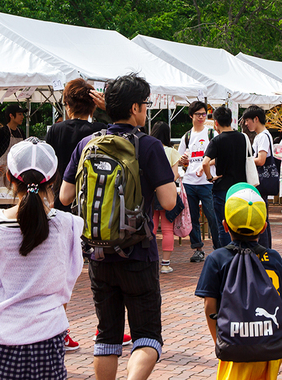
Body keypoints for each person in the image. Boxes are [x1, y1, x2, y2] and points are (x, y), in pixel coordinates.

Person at [59, 73, 176, 380]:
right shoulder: (148, 146)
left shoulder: (87, 143)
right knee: (147, 338)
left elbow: (65, 195)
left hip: (98, 256)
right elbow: (168, 201)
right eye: (146, 104)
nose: (146, 110)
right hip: (138, 253)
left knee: (107, 337)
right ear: (136, 108)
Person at [0, 138, 84, 380]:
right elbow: (68, 280)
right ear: (54, 179)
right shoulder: (69, 224)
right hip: (47, 334)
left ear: (8, 176)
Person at [194, 184, 282, 380]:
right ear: (264, 227)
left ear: (225, 225)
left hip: (234, 345)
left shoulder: (217, 259)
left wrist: (220, 341)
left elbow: (209, 307)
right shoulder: (274, 259)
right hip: (269, 348)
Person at [45, 78, 108, 210]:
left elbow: (48, 166)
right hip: (94, 199)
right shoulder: (101, 130)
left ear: (67, 104)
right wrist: (107, 108)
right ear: (94, 105)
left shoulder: (56, 130)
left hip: (61, 196)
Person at [200, 106, 248, 249]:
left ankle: (226, 255)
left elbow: (205, 163)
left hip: (222, 188)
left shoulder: (217, 140)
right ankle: (240, 252)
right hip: (240, 187)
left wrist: (210, 178)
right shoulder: (242, 137)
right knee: (239, 222)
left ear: (216, 123)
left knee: (223, 224)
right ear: (231, 120)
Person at [177, 101, 220, 260]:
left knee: (212, 216)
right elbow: (180, 160)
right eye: (198, 114)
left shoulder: (211, 134)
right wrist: (182, 160)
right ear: (191, 116)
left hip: (207, 183)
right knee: (192, 217)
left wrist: (206, 164)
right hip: (189, 182)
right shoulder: (187, 136)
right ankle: (198, 248)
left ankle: (218, 247)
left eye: (204, 114)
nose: (202, 117)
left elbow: (218, 156)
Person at [243, 105, 279, 248]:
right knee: (263, 216)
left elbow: (261, 159)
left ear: (256, 119)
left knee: (261, 216)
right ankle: (266, 247)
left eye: (247, 120)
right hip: (264, 180)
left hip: (261, 180)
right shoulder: (265, 135)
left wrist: (247, 160)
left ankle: (263, 247)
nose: (246, 124)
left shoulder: (262, 137)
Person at [149, 121, 182, 274]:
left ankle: (151, 261)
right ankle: (165, 264)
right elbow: (175, 174)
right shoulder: (171, 152)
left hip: (151, 193)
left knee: (152, 228)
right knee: (168, 229)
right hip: (168, 193)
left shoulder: (149, 148)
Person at [0, 103, 26, 188]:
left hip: (17, 172)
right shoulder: (2, 132)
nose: (22, 117)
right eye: (20, 114)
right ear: (11, 116)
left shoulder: (21, 132)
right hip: (3, 173)